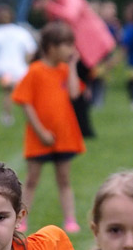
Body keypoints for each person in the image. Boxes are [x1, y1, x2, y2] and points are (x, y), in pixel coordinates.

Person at [12, 21, 85, 234]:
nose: (72, 49)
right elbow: (25, 103)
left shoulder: (64, 70)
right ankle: (21, 219)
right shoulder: (35, 71)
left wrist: (72, 66)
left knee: (64, 179)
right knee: (32, 179)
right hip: (39, 137)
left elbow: (74, 93)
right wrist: (41, 132)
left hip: (64, 136)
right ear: (52, 47)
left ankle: (70, 219)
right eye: (67, 45)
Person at [34, 0, 116, 139]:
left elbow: (70, 16)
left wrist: (48, 6)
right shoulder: (56, 2)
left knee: (76, 88)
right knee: (75, 88)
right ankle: (80, 129)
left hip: (89, 49)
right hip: (78, 51)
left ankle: (82, 130)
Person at [0, 4, 37, 126]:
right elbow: (31, 49)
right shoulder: (19, 32)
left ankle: (9, 116)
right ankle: (13, 116)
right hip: (13, 68)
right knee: (13, 92)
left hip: (7, 68)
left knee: (10, 91)